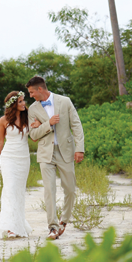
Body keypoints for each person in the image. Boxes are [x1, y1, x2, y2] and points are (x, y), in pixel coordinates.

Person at [26, 76, 85, 240]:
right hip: (46, 153)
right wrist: (48, 124)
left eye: (31, 92)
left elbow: (76, 125)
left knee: (70, 189)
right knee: (49, 190)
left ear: (40, 89)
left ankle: (63, 221)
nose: (30, 96)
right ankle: (52, 227)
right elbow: (34, 135)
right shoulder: (33, 109)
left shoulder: (65, 101)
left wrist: (80, 148)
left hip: (65, 150)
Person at [0, 91, 43, 239]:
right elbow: (0, 142)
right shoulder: (4, 120)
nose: (23, 103)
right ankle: (9, 228)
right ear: (13, 104)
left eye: (23, 100)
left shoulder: (28, 117)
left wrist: (38, 125)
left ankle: (18, 225)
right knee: (10, 189)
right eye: (20, 101)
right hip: (8, 158)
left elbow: (33, 139)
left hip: (23, 159)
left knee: (19, 192)